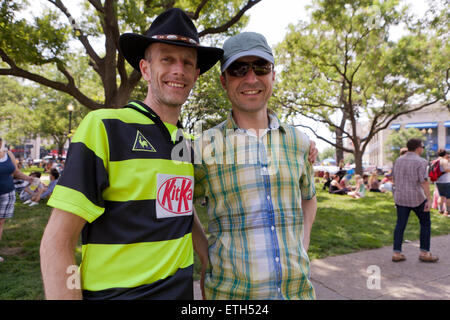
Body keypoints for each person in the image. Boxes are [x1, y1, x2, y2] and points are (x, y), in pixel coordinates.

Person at [40, 8, 223, 300]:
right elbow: (58, 243)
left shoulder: (186, 145)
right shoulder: (105, 127)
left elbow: (180, 210)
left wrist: (207, 258)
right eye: (167, 59)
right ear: (146, 69)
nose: (179, 69)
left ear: (196, 75)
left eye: (188, 63)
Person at [193, 32, 318, 299]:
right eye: (239, 69)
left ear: (273, 75)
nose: (251, 78)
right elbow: (180, 206)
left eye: (260, 67)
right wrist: (206, 256)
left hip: (298, 293)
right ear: (224, 81)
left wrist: (303, 244)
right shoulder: (203, 147)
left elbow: (310, 198)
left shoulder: (300, 142)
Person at [391, 138, 438, 263]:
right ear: (418, 147)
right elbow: (424, 181)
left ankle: (397, 252)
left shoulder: (398, 160)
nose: (422, 149)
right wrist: (428, 199)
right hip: (417, 197)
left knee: (400, 225)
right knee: (425, 223)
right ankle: (424, 252)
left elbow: (393, 179)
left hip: (401, 197)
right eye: (422, 146)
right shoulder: (421, 161)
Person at [0, 137, 33, 262]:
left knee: (0, 223)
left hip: (7, 194)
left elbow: (15, 172)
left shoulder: (8, 154)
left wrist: (28, 178)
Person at [434, 149, 450, 216]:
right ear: (445, 154)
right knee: (448, 197)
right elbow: (447, 169)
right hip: (446, 181)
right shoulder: (444, 160)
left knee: (441, 196)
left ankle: (440, 210)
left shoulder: (435, 161)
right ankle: (447, 211)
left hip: (438, 181)